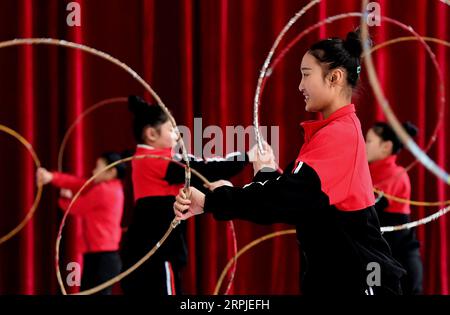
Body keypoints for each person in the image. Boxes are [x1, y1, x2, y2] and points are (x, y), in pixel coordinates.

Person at [174, 30, 406, 295]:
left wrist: (212, 200)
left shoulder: (339, 134)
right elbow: (299, 196)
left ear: (335, 77)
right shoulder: (332, 131)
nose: (300, 86)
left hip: (360, 282)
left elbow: (285, 200)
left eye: (306, 74)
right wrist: (266, 171)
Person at [120, 95, 253, 295]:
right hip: (157, 248)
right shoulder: (157, 160)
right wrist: (248, 157)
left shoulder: (145, 159)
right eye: (172, 129)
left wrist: (212, 185)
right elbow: (204, 168)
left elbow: (195, 176)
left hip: (146, 246)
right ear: (151, 134)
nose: (177, 135)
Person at [36, 152, 125, 295]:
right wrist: (52, 177)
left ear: (112, 172)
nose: (94, 171)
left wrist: (64, 199)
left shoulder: (105, 190)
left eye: (98, 167)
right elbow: (79, 184)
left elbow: (77, 206)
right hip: (99, 255)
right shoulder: (108, 186)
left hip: (103, 258)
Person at [366, 121, 423, 295]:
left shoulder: (396, 174)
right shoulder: (368, 172)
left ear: (386, 147)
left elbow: (370, 208)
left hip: (400, 259)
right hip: (377, 257)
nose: (362, 144)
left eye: (368, 140)